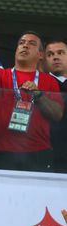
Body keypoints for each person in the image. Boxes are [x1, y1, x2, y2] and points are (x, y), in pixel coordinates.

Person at [0, 22, 63, 172]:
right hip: (1, 151)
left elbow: (57, 114)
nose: (25, 46)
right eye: (21, 43)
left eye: (31, 43)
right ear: (16, 50)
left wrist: (39, 95)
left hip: (38, 152)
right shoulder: (1, 74)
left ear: (40, 54)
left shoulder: (49, 80)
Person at [44, 40, 67, 173]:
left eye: (60, 53)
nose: (55, 57)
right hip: (50, 154)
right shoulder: (38, 84)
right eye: (50, 54)